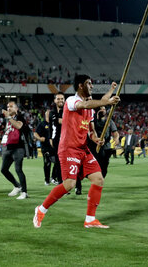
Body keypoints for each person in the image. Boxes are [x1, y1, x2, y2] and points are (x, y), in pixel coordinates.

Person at [33, 77, 119, 229]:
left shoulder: (90, 111)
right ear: (81, 86)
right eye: (89, 84)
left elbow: (90, 131)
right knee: (69, 184)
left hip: (83, 148)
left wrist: (96, 139)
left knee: (98, 179)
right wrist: (108, 101)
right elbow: (85, 103)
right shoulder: (72, 101)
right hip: (69, 148)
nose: (92, 86)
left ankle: (90, 219)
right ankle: (41, 210)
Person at [0, 101, 29, 200]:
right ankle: (17, 186)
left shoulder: (20, 117)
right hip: (8, 147)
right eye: (7, 107)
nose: (8, 108)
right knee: (3, 170)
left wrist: (8, 117)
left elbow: (18, 126)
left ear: (16, 109)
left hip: (18, 147)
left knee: (18, 169)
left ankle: (24, 192)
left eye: (11, 107)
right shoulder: (7, 119)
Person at [48, 93, 65, 184]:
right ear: (55, 100)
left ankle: (76, 184)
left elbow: (64, 121)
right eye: (58, 99)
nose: (60, 100)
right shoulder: (52, 112)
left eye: (62, 98)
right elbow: (51, 126)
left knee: (68, 161)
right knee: (58, 162)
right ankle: (61, 183)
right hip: (56, 140)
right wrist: (50, 138)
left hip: (67, 139)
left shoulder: (67, 110)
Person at [33, 113, 53, 185]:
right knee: (47, 163)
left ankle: (53, 177)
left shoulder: (54, 123)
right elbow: (35, 133)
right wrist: (39, 138)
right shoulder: (42, 124)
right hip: (46, 147)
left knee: (58, 162)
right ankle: (47, 180)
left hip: (54, 147)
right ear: (46, 115)